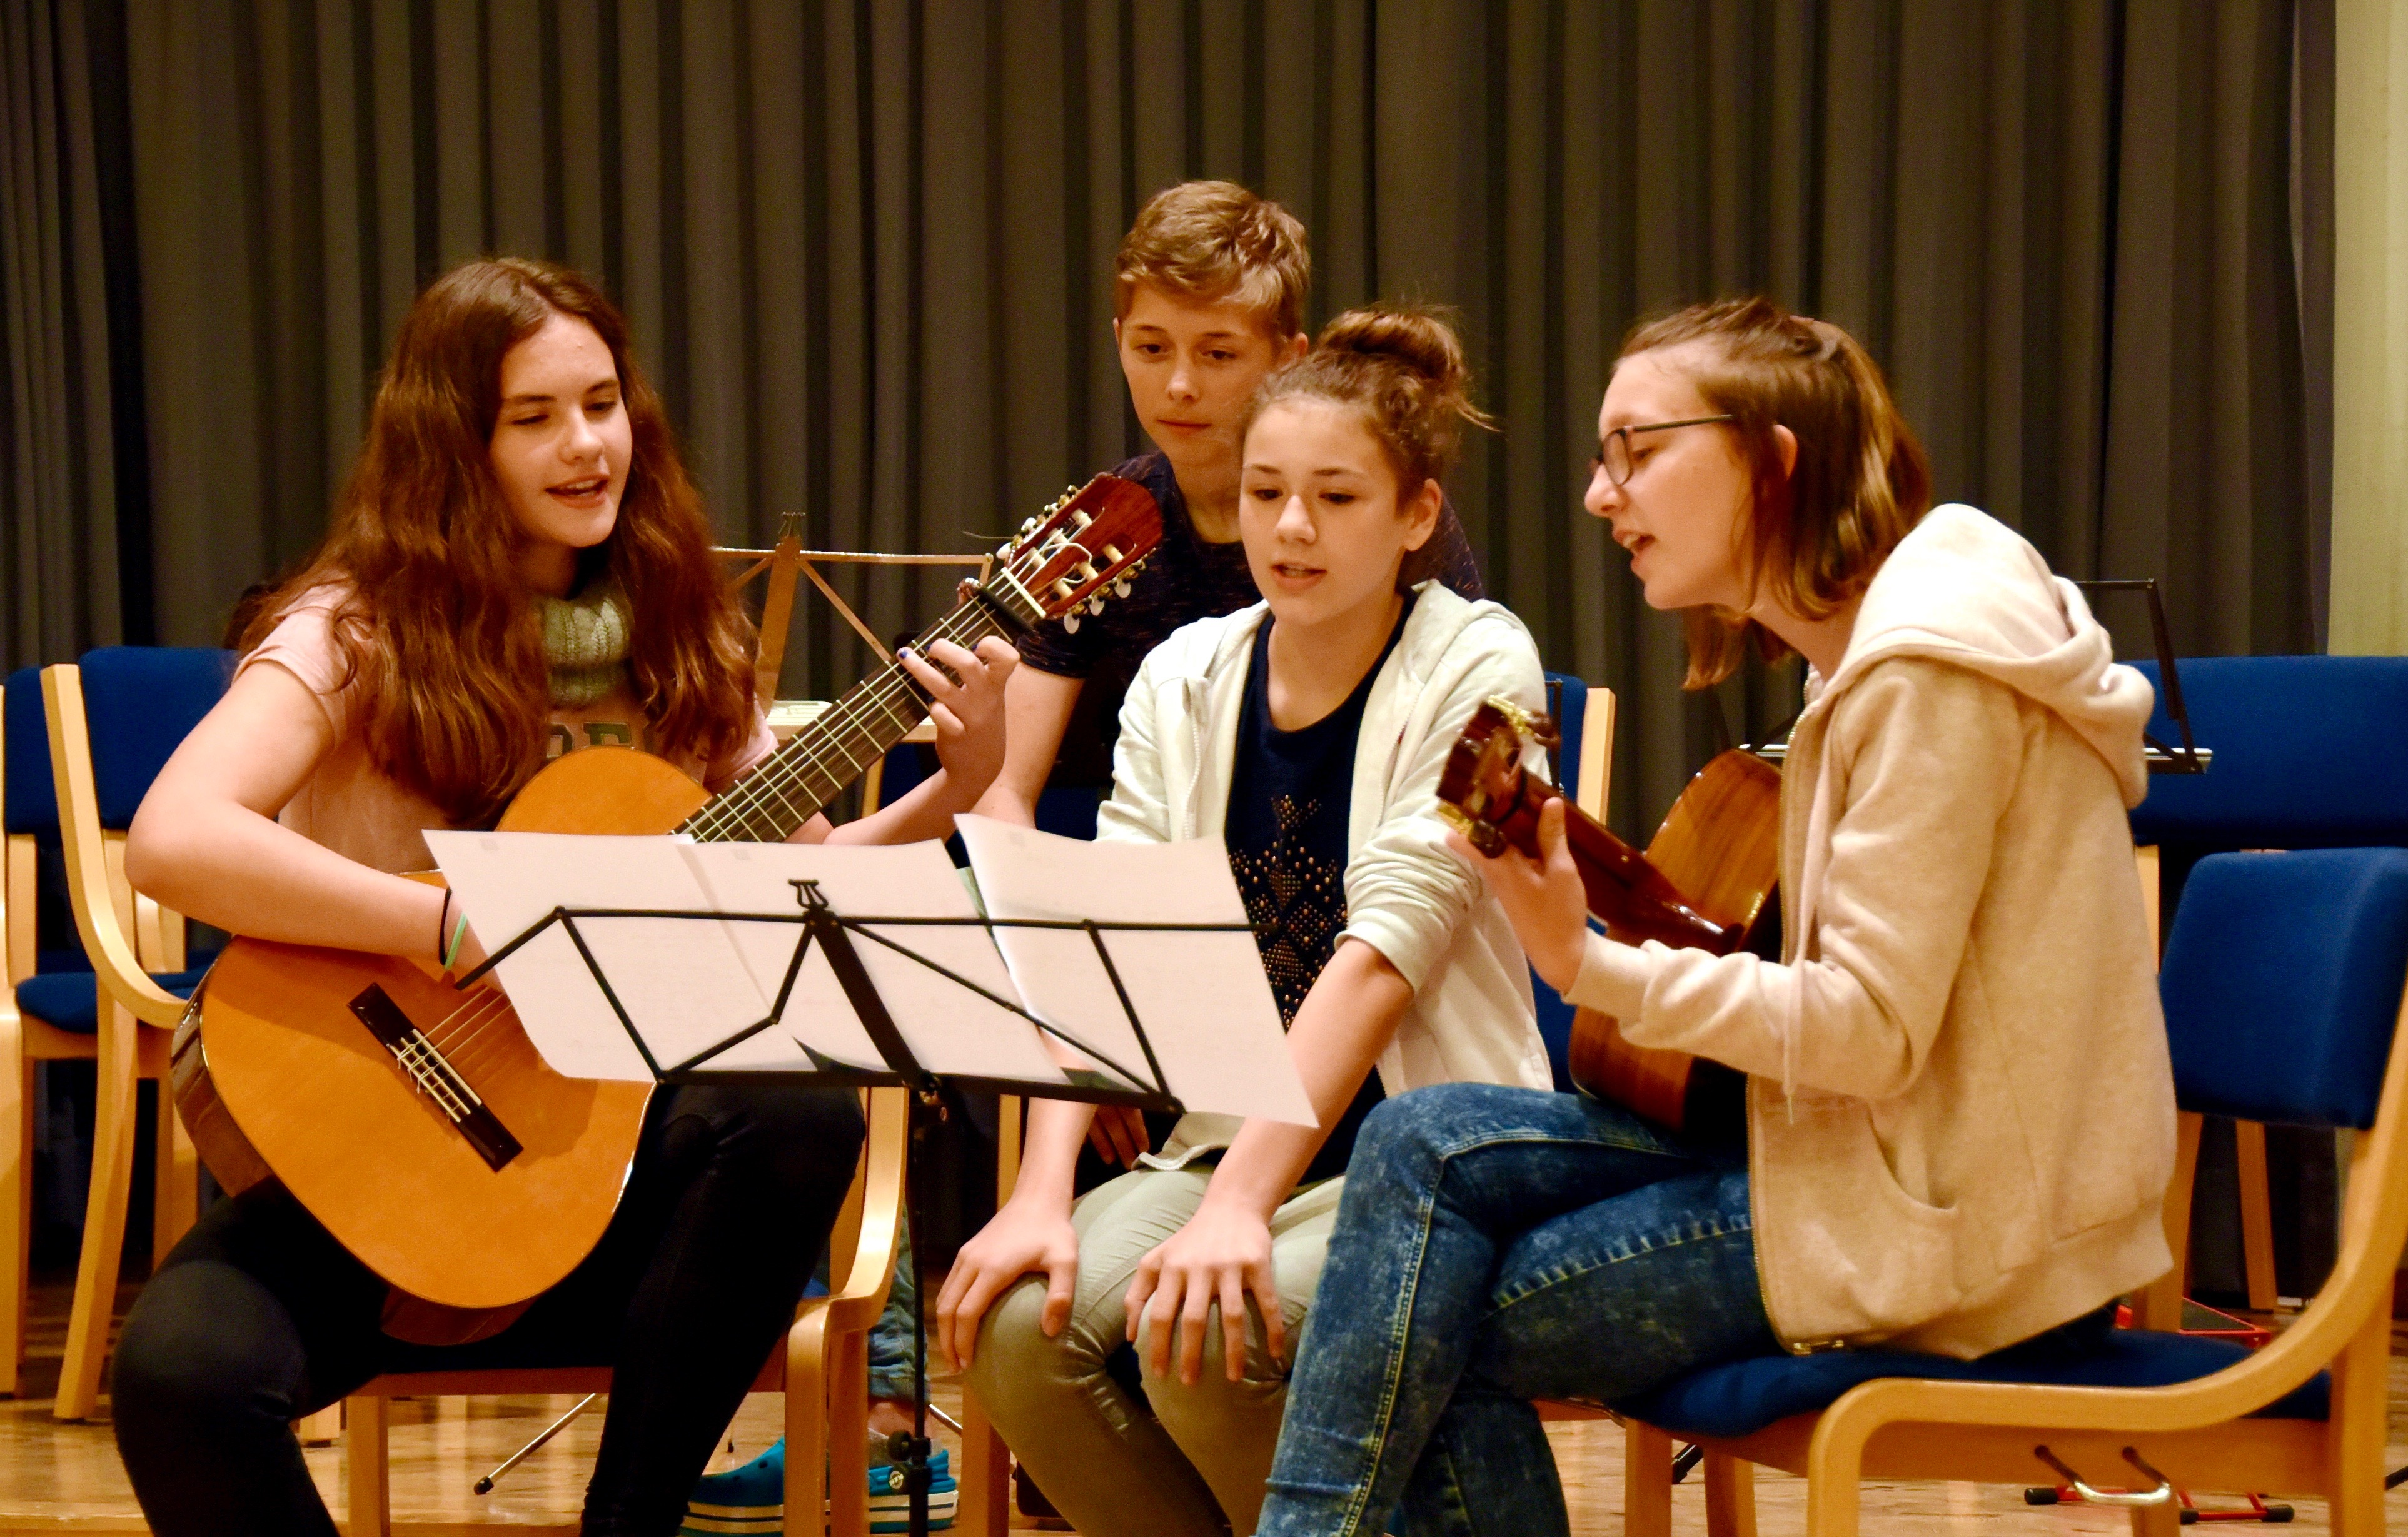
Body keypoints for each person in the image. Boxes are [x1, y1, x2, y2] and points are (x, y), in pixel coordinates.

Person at [114, 258, 1018, 1537]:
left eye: (602, 404)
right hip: (388, 1172)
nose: (586, 444)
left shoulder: (680, 637)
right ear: (452, 442)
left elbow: (819, 877)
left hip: (622, 1207)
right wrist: (447, 921)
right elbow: (176, 836)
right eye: (534, 416)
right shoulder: (351, 630)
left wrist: (958, 787)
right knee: (176, 1376)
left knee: (801, 1113)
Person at [1252, 297, 2179, 1536]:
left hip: (1966, 1230)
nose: (1599, 492)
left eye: (1637, 448)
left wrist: (1588, 961)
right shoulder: (1865, 656)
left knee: (1426, 1312)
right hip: (1865, 1163)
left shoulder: (1929, 675)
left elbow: (1868, 1030)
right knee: (1420, 1138)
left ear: (1772, 459)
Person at [941, 308, 1554, 1537]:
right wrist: (1042, 1189)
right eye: (1268, 491)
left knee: (1205, 1331)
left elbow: (1391, 951)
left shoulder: (1489, 662)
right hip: (1224, 1145)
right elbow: (1111, 938)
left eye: (1335, 496)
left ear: (1417, 515)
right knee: (1019, 1329)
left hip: (1422, 1158)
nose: (1289, 527)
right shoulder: (1186, 674)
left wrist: (1234, 1212)